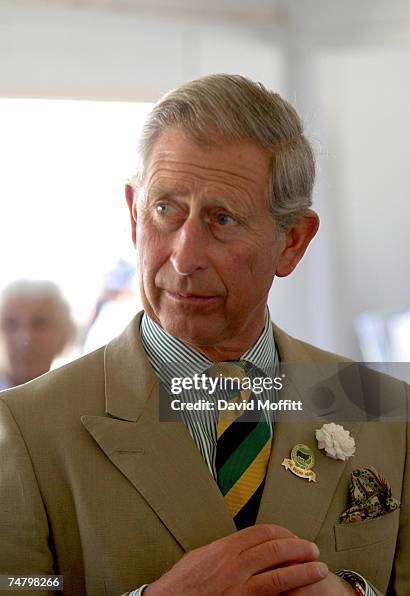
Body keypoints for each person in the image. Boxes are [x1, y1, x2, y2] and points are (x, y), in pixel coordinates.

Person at [0, 75, 408, 596]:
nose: (184, 257)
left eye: (222, 219)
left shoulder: (382, 409)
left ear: (293, 242)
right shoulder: (29, 428)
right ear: (132, 213)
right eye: (166, 209)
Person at [0, 279, 76, 391]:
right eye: (11, 325)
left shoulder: (80, 398)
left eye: (40, 324)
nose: (25, 339)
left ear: (64, 335)